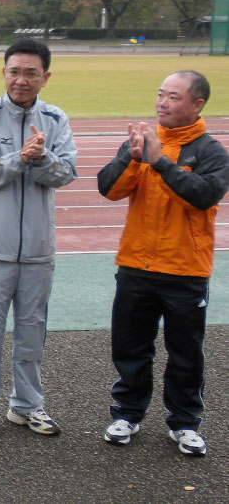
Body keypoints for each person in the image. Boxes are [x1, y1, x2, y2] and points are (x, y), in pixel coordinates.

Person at [97, 71, 229, 457]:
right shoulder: (140, 143)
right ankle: (127, 413)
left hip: (185, 270)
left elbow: (203, 196)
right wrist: (131, 158)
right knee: (130, 347)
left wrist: (161, 165)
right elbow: (107, 188)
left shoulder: (210, 152)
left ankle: (185, 423)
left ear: (197, 104)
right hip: (136, 265)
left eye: (173, 97)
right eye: (160, 95)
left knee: (186, 353)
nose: (162, 103)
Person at [0, 39, 77, 439]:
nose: (21, 79)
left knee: (32, 329)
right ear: (4, 73)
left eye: (30, 73)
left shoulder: (56, 120)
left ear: (45, 77)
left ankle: (27, 406)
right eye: (14, 71)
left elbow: (67, 173)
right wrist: (18, 159)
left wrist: (42, 158)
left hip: (39, 249)